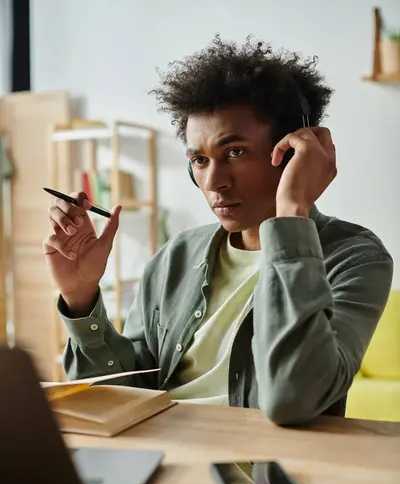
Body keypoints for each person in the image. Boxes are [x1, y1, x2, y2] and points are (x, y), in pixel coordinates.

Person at [43, 36, 393, 425]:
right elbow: (124, 394)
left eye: (235, 152)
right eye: (199, 159)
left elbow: (295, 398)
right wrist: (79, 296)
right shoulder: (176, 256)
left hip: (261, 476)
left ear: (292, 153)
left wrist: (292, 212)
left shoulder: (354, 256)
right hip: (165, 460)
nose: (213, 182)